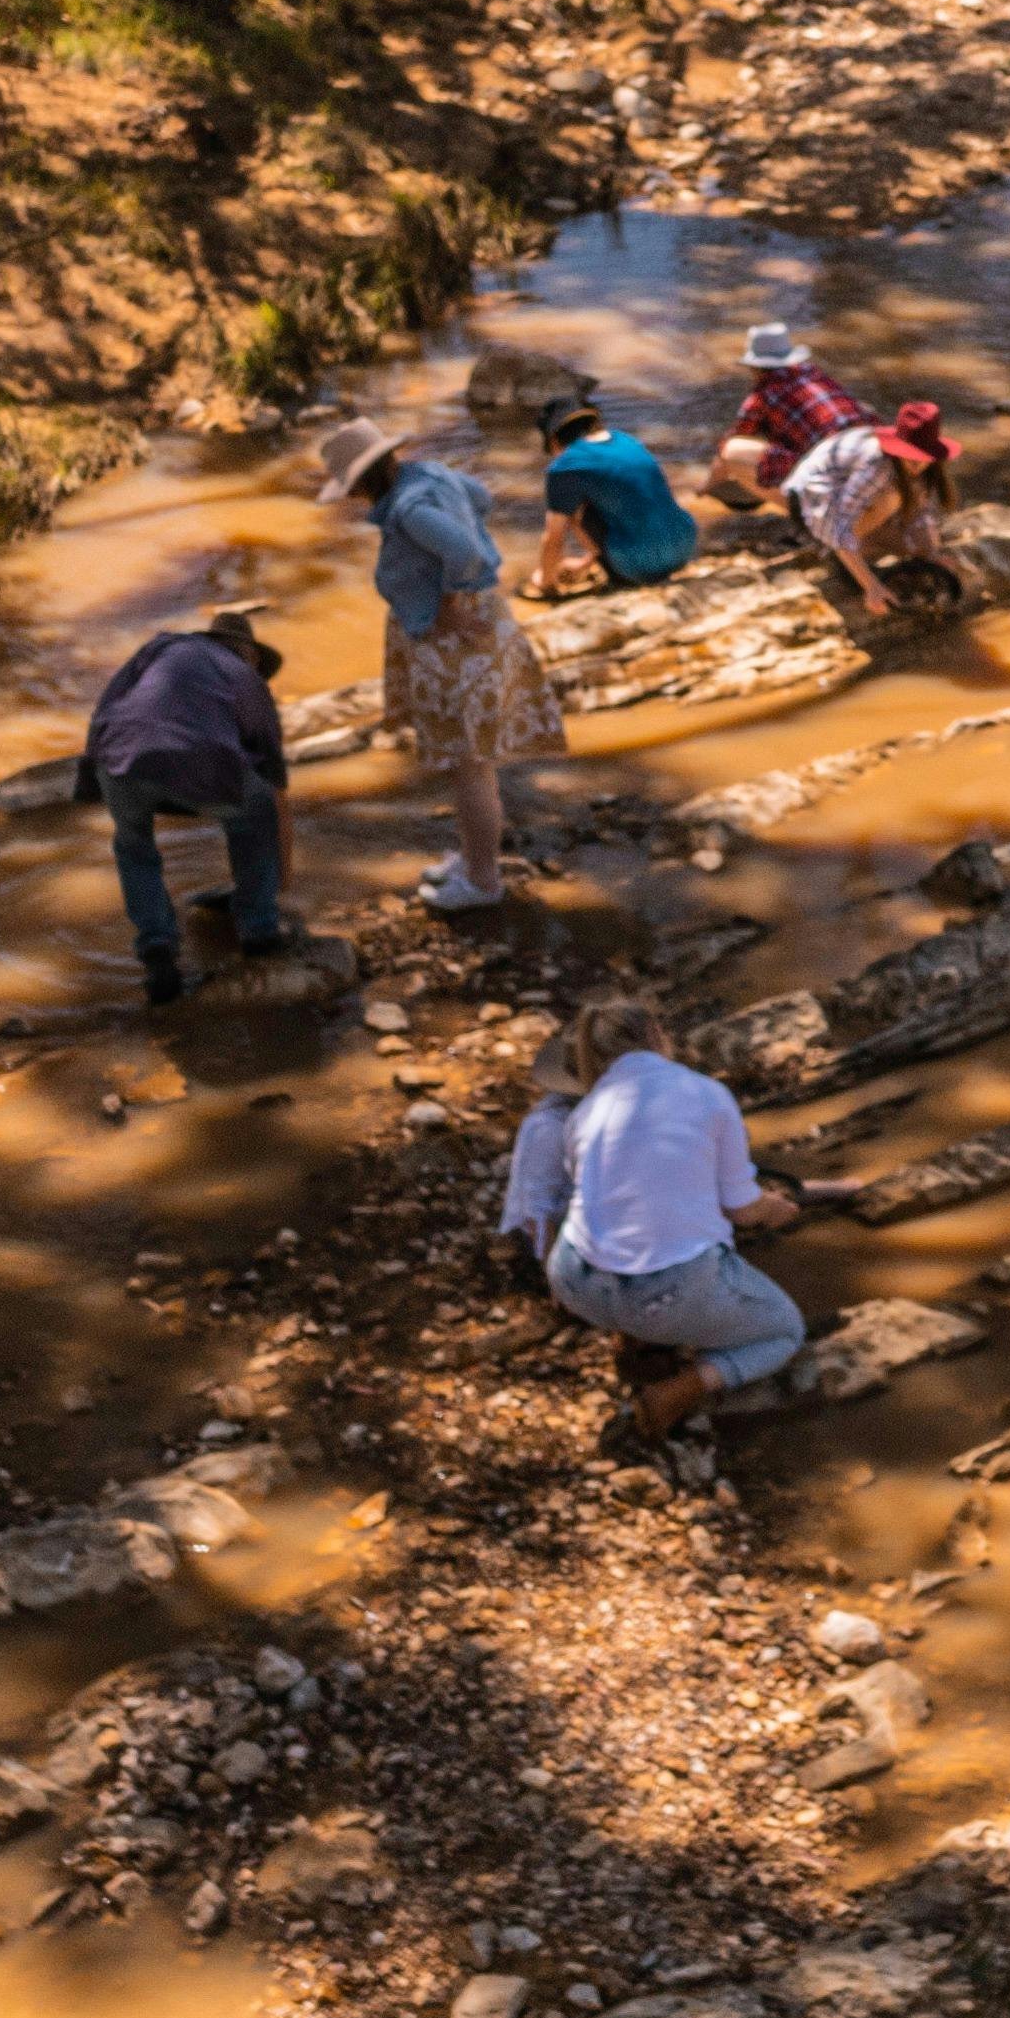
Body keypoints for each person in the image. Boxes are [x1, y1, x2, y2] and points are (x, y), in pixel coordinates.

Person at [503, 992, 810, 1435]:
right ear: (657, 1036)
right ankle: (678, 1391)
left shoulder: (582, 1113)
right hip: (663, 1293)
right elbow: (743, 1211)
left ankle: (636, 1338)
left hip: (575, 1284)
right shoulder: (707, 1093)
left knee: (644, 1235)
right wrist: (774, 1208)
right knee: (783, 1332)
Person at [314, 415, 567, 916]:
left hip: (455, 640)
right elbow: (481, 499)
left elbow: (465, 552)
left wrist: (451, 599)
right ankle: (475, 858)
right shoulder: (429, 475)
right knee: (472, 763)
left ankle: (482, 880)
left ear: (362, 481)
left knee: (467, 766)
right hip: (477, 625)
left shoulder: (407, 508)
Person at [82, 607, 296, 1007]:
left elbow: (108, 706)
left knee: (133, 845)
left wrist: (92, 775)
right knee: (253, 814)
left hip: (119, 757)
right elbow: (276, 793)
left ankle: (158, 950)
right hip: (200, 763)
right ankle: (258, 930)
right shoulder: (246, 679)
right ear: (249, 656)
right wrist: (282, 883)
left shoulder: (159, 648)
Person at [783, 399, 969, 618]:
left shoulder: (923, 468)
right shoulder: (876, 464)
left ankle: (857, 549)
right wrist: (871, 586)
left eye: (922, 456)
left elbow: (922, 511)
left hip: (845, 496)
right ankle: (842, 560)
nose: (917, 463)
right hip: (806, 497)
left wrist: (931, 553)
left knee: (908, 511)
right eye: (910, 453)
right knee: (893, 497)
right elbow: (839, 525)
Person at [527, 401, 698, 598]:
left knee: (573, 508)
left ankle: (621, 573)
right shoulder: (626, 440)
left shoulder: (566, 465)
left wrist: (546, 584)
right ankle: (595, 560)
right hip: (685, 547)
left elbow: (553, 537)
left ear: (554, 440)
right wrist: (587, 562)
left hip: (641, 565)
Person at [706, 325, 869, 512]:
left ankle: (807, 518)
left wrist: (703, 489)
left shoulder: (762, 395)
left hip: (833, 469)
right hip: (868, 448)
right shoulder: (814, 373)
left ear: (754, 368)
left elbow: (728, 445)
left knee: (733, 450)